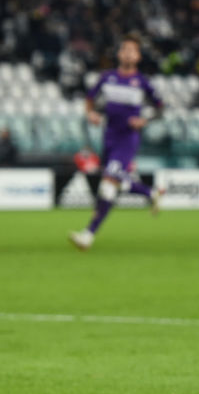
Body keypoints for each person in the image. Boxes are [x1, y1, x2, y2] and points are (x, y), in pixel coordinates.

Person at [69, 34, 163, 251]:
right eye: (125, 49)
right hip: (109, 136)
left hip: (128, 138)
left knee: (111, 175)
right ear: (120, 53)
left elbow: (160, 107)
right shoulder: (107, 77)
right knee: (108, 190)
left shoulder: (142, 82)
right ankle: (88, 236)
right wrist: (90, 113)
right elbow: (89, 98)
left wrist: (144, 120)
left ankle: (150, 193)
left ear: (138, 57)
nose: (128, 53)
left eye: (133, 50)